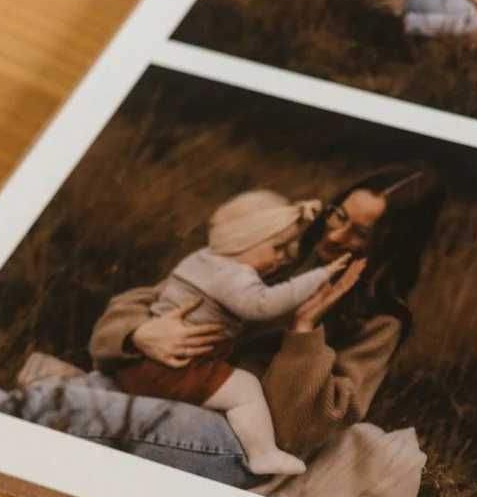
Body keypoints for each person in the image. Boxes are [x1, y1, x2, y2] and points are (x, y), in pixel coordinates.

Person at [111, 190, 347, 478]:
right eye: (277, 247)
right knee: (246, 389)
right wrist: (320, 276)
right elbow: (264, 304)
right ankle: (263, 453)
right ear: (248, 240)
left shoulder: (201, 259)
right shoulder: (232, 275)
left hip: (142, 365)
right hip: (179, 368)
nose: (281, 258)